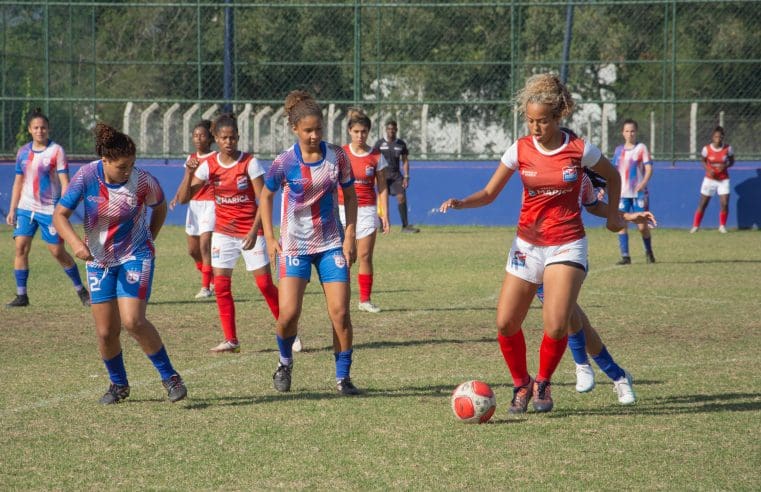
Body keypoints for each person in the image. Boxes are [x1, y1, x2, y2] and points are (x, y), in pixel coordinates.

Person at [439, 73, 624, 414]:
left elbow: (613, 176)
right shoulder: (520, 149)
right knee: (506, 323)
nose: (535, 127)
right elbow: (490, 192)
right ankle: (521, 384)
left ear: (558, 117)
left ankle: (542, 383)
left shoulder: (579, 149)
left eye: (541, 121)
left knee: (556, 323)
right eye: (530, 120)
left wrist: (613, 216)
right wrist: (463, 202)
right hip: (527, 244)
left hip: (567, 244)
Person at [52, 123, 186, 404]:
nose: (128, 171)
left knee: (133, 321)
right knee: (105, 331)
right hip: (99, 260)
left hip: (135, 255)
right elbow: (60, 215)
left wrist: (151, 235)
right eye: (122, 167)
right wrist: (76, 244)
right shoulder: (87, 176)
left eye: (132, 165)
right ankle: (118, 385)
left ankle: (170, 377)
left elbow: (159, 206)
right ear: (105, 161)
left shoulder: (142, 181)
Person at [260, 90, 361, 396]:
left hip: (331, 244)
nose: (315, 135)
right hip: (294, 247)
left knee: (340, 313)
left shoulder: (338, 157)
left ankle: (343, 378)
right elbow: (266, 196)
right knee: (288, 314)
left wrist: (350, 236)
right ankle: (284, 362)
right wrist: (269, 237)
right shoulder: (284, 162)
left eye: (318, 129)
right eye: (308, 130)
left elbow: (351, 195)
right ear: (295, 130)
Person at [534, 170, 656, 405]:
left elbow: (595, 205)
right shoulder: (534, 170)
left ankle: (583, 365)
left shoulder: (579, 177)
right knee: (574, 318)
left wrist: (627, 216)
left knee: (566, 315)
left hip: (568, 252)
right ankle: (618, 376)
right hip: (534, 252)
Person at [176, 113, 280, 353]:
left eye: (233, 138)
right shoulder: (209, 165)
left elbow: (264, 199)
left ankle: (288, 329)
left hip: (250, 232)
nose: (229, 142)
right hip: (223, 233)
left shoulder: (249, 163)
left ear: (238, 138)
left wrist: (256, 230)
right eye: (224, 138)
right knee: (221, 287)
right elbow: (183, 199)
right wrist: (189, 173)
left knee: (264, 285)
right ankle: (231, 339)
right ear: (217, 138)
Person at [5, 109, 89, 308]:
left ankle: (81, 290)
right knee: (20, 248)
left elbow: (65, 182)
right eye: (36, 128)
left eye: (43, 127)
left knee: (57, 252)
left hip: (49, 210)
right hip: (26, 209)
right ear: (29, 130)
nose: (40, 131)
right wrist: (12, 209)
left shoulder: (56, 151)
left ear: (48, 129)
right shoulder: (23, 152)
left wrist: (64, 210)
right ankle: (22, 295)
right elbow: (18, 182)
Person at [339, 108, 390, 313]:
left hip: (367, 209)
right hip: (342, 209)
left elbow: (383, 187)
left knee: (365, 255)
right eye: (356, 131)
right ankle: (341, 299)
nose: (360, 136)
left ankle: (365, 300)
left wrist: (384, 213)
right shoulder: (341, 154)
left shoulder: (377, 157)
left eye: (364, 132)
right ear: (350, 131)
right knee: (345, 256)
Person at [169, 120, 216, 299]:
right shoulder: (191, 158)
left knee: (205, 245)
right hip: (194, 206)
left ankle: (205, 288)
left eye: (202, 135)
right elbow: (186, 180)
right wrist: (176, 196)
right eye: (195, 135)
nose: (198, 138)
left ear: (210, 138)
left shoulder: (215, 157)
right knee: (193, 251)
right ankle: (212, 279)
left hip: (210, 204)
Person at [612, 119, 655, 265]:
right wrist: (605, 189)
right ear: (622, 133)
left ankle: (649, 252)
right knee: (621, 222)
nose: (630, 134)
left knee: (642, 226)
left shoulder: (641, 148)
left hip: (638, 194)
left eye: (632, 131)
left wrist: (642, 184)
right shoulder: (618, 151)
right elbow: (613, 172)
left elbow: (649, 169)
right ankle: (625, 256)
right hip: (622, 194)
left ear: (636, 132)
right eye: (627, 131)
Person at [374, 120, 419, 233]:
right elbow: (374, 160)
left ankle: (405, 226)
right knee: (382, 200)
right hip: (382, 175)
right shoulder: (379, 144)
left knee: (401, 196)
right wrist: (374, 177)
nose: (391, 131)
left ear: (396, 130)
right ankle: (382, 225)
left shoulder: (401, 144)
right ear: (386, 130)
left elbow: (405, 161)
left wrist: (406, 176)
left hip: (396, 176)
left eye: (393, 129)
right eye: (389, 129)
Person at [691, 126, 735, 234]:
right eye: (716, 137)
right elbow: (703, 161)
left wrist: (725, 166)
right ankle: (695, 226)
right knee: (703, 203)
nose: (718, 139)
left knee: (724, 203)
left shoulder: (728, 148)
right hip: (710, 179)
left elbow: (732, 161)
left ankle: (722, 226)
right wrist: (708, 170)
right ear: (712, 137)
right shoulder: (706, 149)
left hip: (723, 179)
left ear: (723, 137)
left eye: (720, 137)